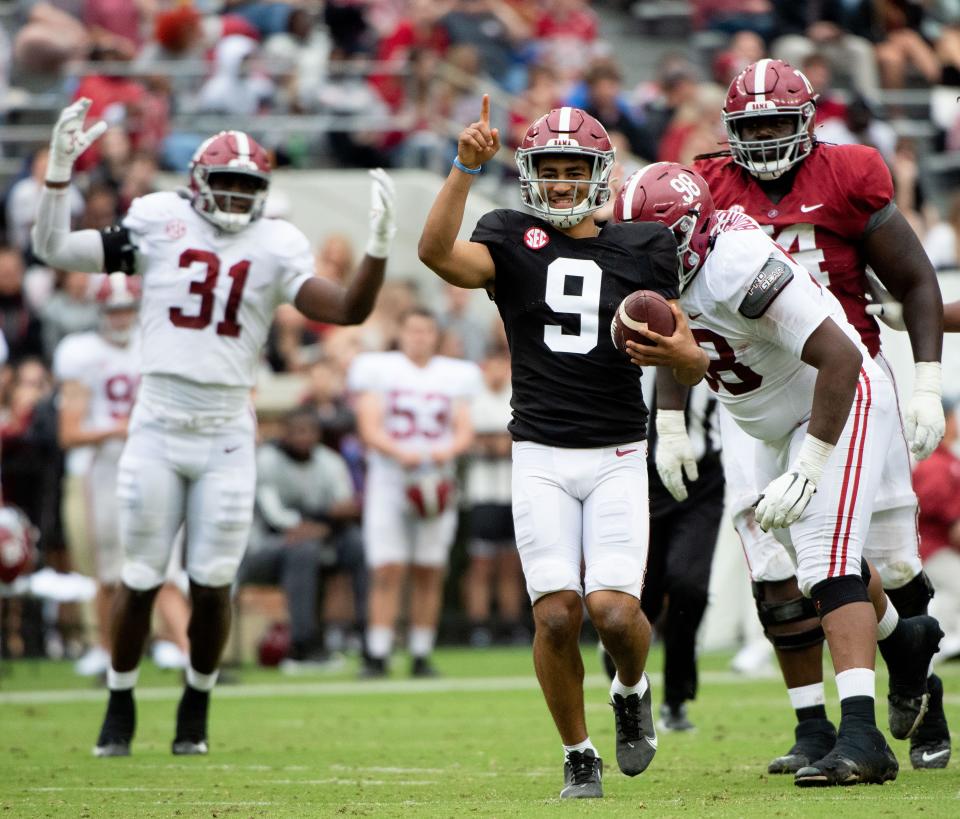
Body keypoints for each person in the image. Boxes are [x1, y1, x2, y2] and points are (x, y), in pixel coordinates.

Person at [30, 98, 396, 757]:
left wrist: (375, 251)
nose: (233, 196)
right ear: (197, 183)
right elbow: (53, 246)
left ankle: (196, 704)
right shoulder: (158, 220)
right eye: (223, 182)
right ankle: (120, 698)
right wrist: (59, 175)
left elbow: (345, 309)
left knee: (212, 579)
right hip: (159, 421)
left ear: (262, 192)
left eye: (245, 186)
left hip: (228, 429)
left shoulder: (276, 242)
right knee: (140, 577)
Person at [417, 96, 709, 799]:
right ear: (527, 174)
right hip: (540, 453)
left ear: (600, 172)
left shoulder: (644, 246)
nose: (557, 181)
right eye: (546, 168)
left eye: (571, 167)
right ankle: (579, 753)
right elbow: (433, 254)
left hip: (614, 453)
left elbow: (695, 364)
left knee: (613, 610)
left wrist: (679, 353)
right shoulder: (509, 236)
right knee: (555, 612)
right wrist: (462, 168)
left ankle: (632, 686)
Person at [615, 161, 942, 786]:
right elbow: (678, 343)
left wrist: (812, 465)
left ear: (687, 233)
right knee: (795, 564)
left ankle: (861, 736)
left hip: (836, 398)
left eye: (649, 243)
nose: (637, 258)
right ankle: (903, 641)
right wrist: (673, 422)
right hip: (765, 421)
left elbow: (842, 355)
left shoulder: (735, 261)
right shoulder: (671, 272)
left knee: (824, 559)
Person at [692, 58, 950, 772]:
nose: (767, 136)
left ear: (808, 122)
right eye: (753, 125)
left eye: (779, 121)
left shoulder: (848, 173)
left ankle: (923, 692)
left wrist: (927, 382)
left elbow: (915, 278)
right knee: (779, 569)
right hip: (752, 394)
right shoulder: (709, 187)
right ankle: (815, 723)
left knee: (891, 556)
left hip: (846, 377)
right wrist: (676, 410)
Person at [349, 307, 480, 678]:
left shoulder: (455, 375)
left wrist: (446, 451)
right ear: (400, 333)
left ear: (436, 335)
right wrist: (398, 452)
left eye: (426, 331)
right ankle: (377, 651)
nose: (419, 338)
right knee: (387, 567)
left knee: (429, 568)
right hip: (391, 478)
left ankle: (421, 651)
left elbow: (463, 428)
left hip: (436, 480)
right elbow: (369, 425)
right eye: (413, 330)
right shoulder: (379, 369)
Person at [239, 406, 362, 673]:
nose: (303, 437)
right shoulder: (267, 461)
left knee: (357, 544)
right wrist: (318, 522)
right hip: (264, 550)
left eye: (309, 431)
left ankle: (368, 638)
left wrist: (319, 524)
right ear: (284, 433)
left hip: (323, 538)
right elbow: (275, 518)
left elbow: (346, 507)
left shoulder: (330, 461)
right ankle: (302, 645)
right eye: (296, 432)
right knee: (303, 548)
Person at [462, 343, 527, 647]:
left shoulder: (518, 396)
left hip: (513, 490)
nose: (498, 371)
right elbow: (469, 438)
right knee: (481, 563)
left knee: (511, 563)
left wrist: (495, 441)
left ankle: (511, 624)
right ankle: (478, 624)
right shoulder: (473, 399)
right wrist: (494, 442)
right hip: (482, 492)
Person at [913, 398, 960, 661]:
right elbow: (948, 521)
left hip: (944, 547)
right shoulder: (935, 464)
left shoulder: (949, 460)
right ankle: (937, 642)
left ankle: (945, 638)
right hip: (932, 548)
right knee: (957, 581)